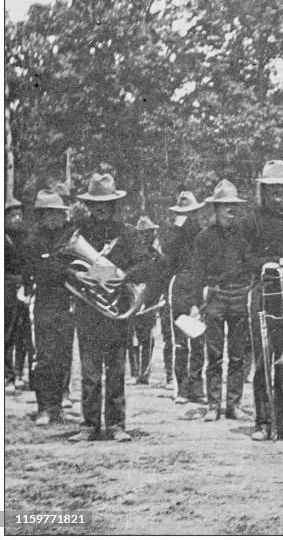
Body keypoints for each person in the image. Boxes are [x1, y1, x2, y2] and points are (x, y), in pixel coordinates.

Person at [67, 173, 148, 443]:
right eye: (96, 203)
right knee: (89, 371)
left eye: (105, 203)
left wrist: (124, 276)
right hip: (89, 309)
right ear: (89, 205)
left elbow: (145, 264)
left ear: (114, 205)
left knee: (116, 370)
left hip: (115, 309)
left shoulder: (127, 233)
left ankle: (116, 424)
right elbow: (61, 262)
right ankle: (89, 425)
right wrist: (76, 276)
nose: (100, 208)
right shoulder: (78, 230)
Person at [240, 160, 283, 442]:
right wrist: (276, 262)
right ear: (264, 190)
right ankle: (264, 422)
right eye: (273, 188)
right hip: (263, 294)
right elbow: (246, 260)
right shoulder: (250, 221)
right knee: (264, 359)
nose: (279, 193)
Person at [192, 180, 250, 421]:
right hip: (215, 297)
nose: (230, 211)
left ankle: (233, 405)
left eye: (233, 206)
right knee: (213, 354)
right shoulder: (204, 237)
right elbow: (196, 273)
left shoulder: (245, 236)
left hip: (239, 296)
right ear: (215, 209)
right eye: (225, 206)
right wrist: (196, 302)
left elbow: (252, 264)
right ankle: (214, 405)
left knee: (238, 355)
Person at [23, 190, 73, 425]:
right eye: (52, 214)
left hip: (65, 302)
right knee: (44, 356)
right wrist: (63, 269)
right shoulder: (32, 241)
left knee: (63, 355)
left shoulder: (68, 237)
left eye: (60, 214)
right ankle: (44, 406)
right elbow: (41, 271)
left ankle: (58, 405)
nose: (58, 219)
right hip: (44, 303)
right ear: (42, 216)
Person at [159, 191, 207, 402]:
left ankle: (196, 387)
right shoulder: (173, 234)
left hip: (199, 284)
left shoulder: (203, 234)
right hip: (179, 285)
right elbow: (166, 258)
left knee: (198, 338)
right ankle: (181, 388)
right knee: (180, 341)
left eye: (192, 212)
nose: (189, 217)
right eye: (184, 213)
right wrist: (177, 227)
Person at [127, 216, 161, 385]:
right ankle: (134, 371)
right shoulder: (131, 253)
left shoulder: (156, 255)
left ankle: (144, 372)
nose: (147, 236)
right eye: (143, 233)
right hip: (131, 295)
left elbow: (158, 277)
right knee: (130, 334)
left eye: (149, 233)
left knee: (146, 335)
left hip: (149, 297)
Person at [5, 197, 32, 391]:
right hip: (6, 286)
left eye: (19, 214)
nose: (16, 218)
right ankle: (8, 375)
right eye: (12, 214)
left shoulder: (26, 238)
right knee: (7, 332)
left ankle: (20, 373)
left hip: (24, 285)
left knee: (24, 333)